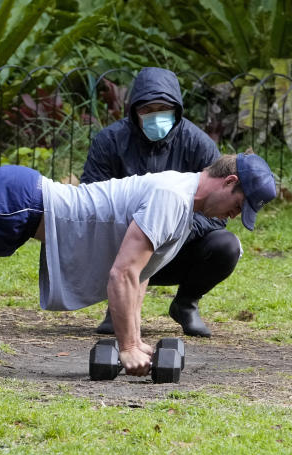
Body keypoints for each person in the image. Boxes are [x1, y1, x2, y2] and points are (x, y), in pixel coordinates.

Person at [0, 153, 276, 377]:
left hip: (22, 212)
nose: (236, 215)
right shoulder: (173, 196)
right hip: (17, 204)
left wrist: (138, 338)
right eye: (240, 204)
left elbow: (140, 275)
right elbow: (122, 273)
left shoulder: (183, 205)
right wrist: (127, 347)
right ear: (229, 182)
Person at [82, 66, 236, 338]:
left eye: (163, 108)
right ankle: (118, 305)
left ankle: (186, 304)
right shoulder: (109, 141)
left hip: (176, 248)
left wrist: (170, 228)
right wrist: (139, 229)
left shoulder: (198, 144)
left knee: (226, 245)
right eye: (147, 109)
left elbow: (219, 210)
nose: (156, 116)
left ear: (176, 110)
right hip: (124, 245)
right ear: (133, 111)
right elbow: (90, 198)